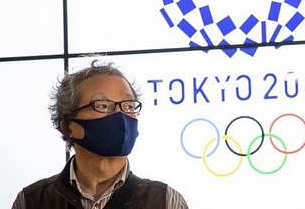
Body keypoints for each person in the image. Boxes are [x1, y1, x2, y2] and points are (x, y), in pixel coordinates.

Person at [12, 61, 188, 209]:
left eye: (128, 106)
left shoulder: (166, 202)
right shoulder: (31, 202)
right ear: (68, 126)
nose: (120, 115)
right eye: (103, 105)